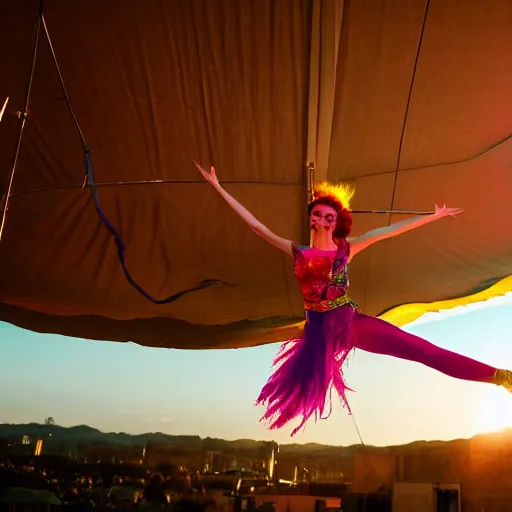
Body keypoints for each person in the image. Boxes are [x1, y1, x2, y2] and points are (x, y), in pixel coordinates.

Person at [195, 161, 512, 436]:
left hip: (349, 322)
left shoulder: (347, 249)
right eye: (318, 214)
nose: (323, 218)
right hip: (318, 332)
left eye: (329, 215)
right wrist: (218, 188)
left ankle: (500, 376)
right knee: (300, 392)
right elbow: (256, 227)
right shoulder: (299, 251)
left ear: (336, 221)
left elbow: (390, 231)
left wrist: (432, 216)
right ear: (312, 218)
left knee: (423, 350)